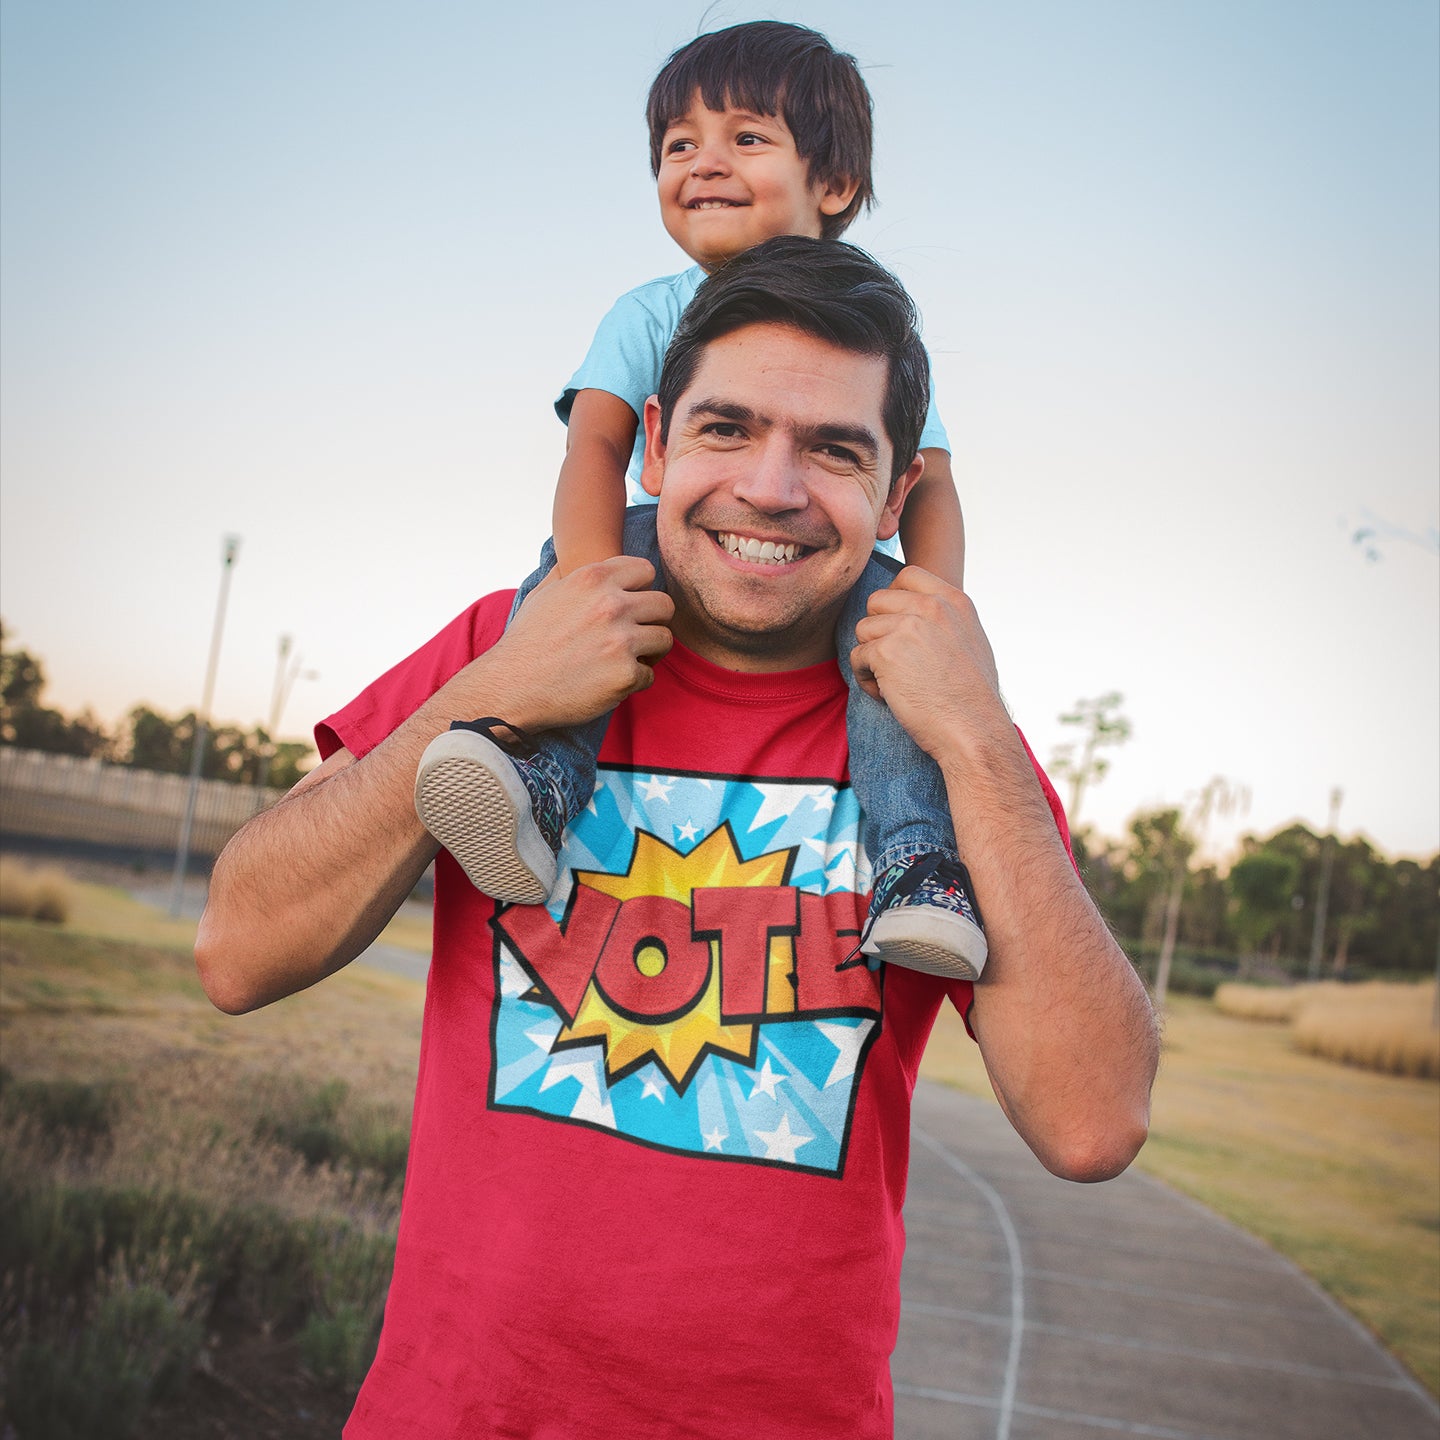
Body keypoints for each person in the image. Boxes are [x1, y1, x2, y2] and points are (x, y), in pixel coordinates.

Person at [195, 237, 1159, 1440]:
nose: (771, 485)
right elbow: (237, 953)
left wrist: (975, 738)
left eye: (834, 450)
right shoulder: (511, 640)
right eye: (726, 429)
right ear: (653, 441)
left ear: (897, 497)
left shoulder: (940, 733)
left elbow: (1091, 1121)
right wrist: (495, 683)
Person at [413, 21, 988, 982]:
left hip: (829, 577)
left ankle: (918, 865)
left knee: (891, 662)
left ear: (834, 186)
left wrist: (929, 620)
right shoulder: (649, 310)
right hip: (656, 547)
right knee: (559, 579)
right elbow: (594, 449)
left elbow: (933, 487)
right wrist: (589, 594)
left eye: (747, 139)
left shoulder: (874, 332)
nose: (704, 163)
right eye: (680, 145)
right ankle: (542, 776)